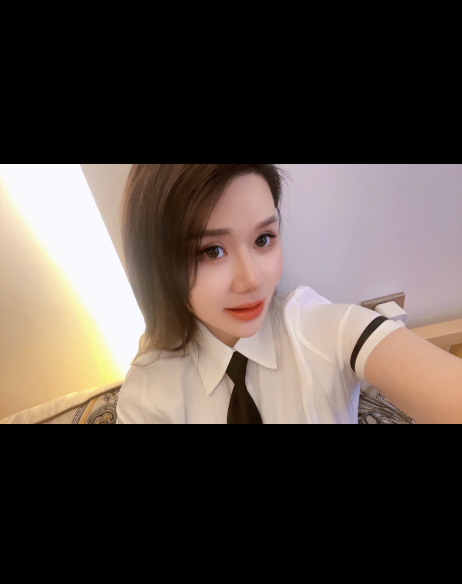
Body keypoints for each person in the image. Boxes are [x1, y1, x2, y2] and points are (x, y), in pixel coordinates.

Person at [116, 164, 462, 424]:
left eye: (263, 239)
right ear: (157, 263)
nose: (252, 280)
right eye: (212, 251)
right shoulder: (147, 397)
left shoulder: (324, 329)